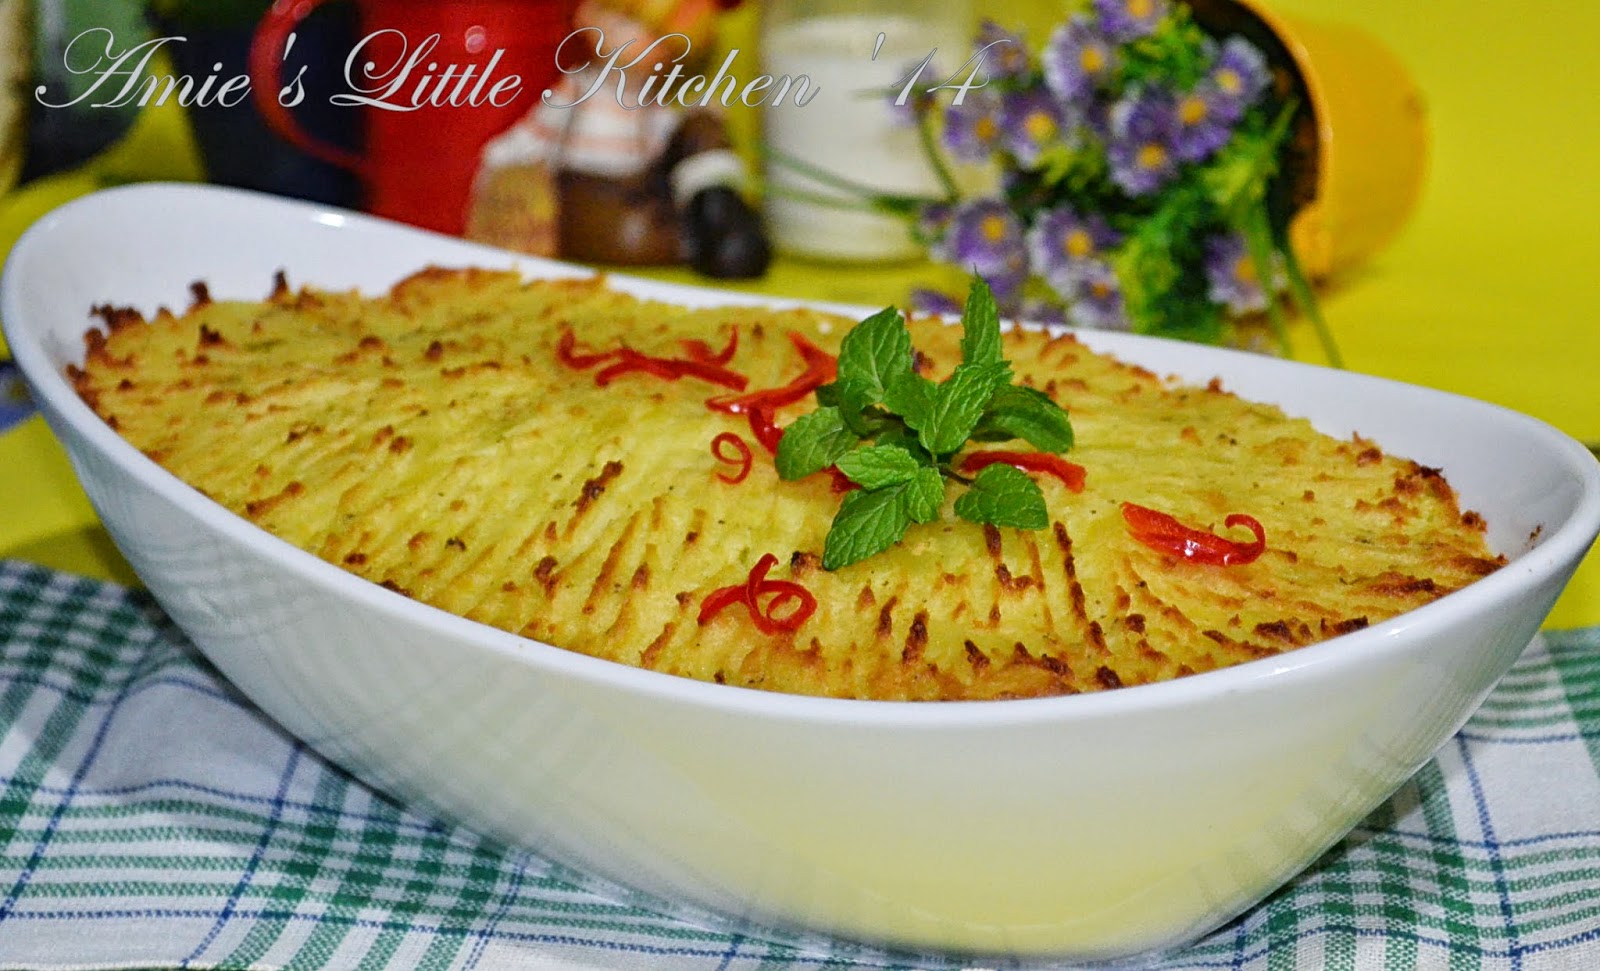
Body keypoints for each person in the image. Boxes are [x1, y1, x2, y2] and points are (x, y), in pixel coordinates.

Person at [466, 0, 770, 278]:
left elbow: (665, 138)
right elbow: (536, 131)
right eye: (621, 22)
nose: (635, 39)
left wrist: (697, 121)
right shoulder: (580, 88)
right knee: (640, 233)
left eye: (653, 34)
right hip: (594, 199)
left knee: (703, 130)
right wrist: (500, 160)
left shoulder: (648, 101)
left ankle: (717, 225)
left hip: (640, 189)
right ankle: (711, 237)